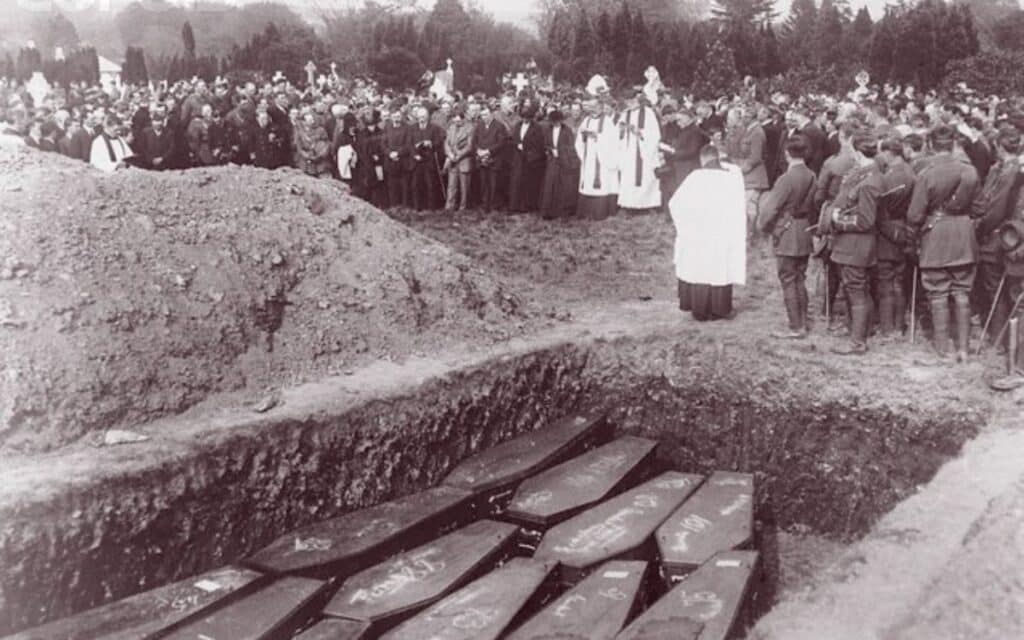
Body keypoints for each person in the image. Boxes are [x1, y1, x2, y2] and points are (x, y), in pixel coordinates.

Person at [907, 125, 980, 362]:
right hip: (963, 237)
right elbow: (980, 208)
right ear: (952, 145)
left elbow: (915, 215)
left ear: (930, 145)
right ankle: (964, 349)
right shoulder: (970, 172)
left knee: (938, 292)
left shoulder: (927, 173)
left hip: (936, 236)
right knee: (962, 292)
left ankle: (943, 349)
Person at [823, 131, 885, 356]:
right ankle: (858, 332)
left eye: (851, 149)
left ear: (858, 153)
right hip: (853, 246)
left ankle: (858, 342)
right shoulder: (866, 174)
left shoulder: (869, 181)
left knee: (857, 291)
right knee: (858, 290)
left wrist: (838, 220)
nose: (849, 153)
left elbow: (866, 220)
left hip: (856, 245)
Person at [669, 145, 747, 322]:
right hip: (722, 233)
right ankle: (720, 309)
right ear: (717, 158)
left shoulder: (695, 178)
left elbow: (675, 204)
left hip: (699, 232)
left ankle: (699, 309)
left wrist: (685, 226)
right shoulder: (732, 179)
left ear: (703, 159)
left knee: (700, 268)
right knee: (719, 268)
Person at [757, 135, 818, 338]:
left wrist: (763, 227)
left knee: (788, 279)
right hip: (804, 230)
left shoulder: (786, 179)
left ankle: (796, 326)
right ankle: (803, 321)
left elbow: (770, 209)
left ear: (786, 154)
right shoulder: (812, 175)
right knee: (800, 278)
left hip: (787, 231)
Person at [969, 125, 1024, 349]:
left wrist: (980, 225)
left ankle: (1000, 339)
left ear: (1000, 147)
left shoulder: (1011, 173)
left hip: (1000, 237)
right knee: (994, 288)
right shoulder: (997, 169)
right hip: (999, 235)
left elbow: (997, 209)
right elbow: (984, 198)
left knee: (997, 290)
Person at [874, 137, 916, 338]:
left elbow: (881, 204)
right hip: (903, 229)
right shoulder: (910, 171)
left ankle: (888, 328)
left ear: (889, 153)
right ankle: (898, 326)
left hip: (888, 230)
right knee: (899, 280)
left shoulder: (892, 176)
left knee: (886, 281)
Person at [575, 98, 620, 220]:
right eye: (590, 106)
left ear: (600, 107)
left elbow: (613, 140)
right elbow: (579, 138)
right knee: (587, 180)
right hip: (588, 154)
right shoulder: (587, 120)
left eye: (593, 106)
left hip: (601, 157)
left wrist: (597, 136)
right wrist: (583, 135)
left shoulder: (607, 121)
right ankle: (586, 212)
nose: (591, 109)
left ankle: (599, 212)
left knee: (601, 183)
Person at [617, 92, 662, 213]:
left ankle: (648, 205)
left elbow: (655, 133)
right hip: (628, 151)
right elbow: (618, 134)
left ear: (637, 99)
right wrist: (621, 131)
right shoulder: (625, 113)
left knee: (646, 177)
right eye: (627, 101)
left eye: (631, 101)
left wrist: (640, 133)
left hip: (644, 151)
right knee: (628, 178)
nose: (629, 104)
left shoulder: (648, 113)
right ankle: (629, 205)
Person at [539, 110, 580, 219]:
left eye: (557, 122)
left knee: (563, 185)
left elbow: (571, 146)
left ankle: (563, 211)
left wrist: (560, 152)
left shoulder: (567, 131)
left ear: (561, 121)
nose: (555, 124)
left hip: (564, 161)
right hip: (552, 161)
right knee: (550, 184)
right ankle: (549, 211)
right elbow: (546, 143)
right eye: (553, 122)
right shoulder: (548, 130)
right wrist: (550, 150)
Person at [508, 104, 545, 213]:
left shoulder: (537, 127)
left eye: (527, 118)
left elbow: (539, 144)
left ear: (531, 117)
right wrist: (517, 144)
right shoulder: (517, 125)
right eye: (523, 117)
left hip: (530, 160)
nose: (525, 120)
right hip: (518, 159)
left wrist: (526, 148)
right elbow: (512, 139)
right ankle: (514, 206)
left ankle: (526, 206)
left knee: (528, 183)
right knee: (516, 182)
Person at [409, 106, 446, 211]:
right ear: (416, 117)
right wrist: (414, 154)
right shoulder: (412, 128)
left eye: (424, 116)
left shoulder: (434, 128)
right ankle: (417, 207)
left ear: (427, 117)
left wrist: (431, 143)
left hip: (429, 160)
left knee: (430, 184)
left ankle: (431, 207)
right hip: (416, 160)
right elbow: (409, 143)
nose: (422, 118)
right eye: (420, 116)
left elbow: (439, 141)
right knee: (416, 185)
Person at [474, 104, 509, 211]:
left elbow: (501, 143)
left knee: (494, 184)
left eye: (486, 115)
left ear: (491, 115)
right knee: (484, 183)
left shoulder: (499, 126)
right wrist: (478, 151)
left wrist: (488, 152)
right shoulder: (479, 125)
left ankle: (495, 205)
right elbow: (474, 141)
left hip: (494, 159)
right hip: (481, 159)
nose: (484, 117)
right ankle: (485, 204)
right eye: (482, 115)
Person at [444, 108, 475, 212]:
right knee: (451, 185)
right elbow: (446, 143)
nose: (456, 123)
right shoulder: (451, 128)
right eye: (455, 121)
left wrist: (458, 156)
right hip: (452, 161)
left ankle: (463, 207)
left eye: (458, 121)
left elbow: (470, 146)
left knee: (464, 187)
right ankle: (449, 206)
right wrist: (449, 154)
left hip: (464, 161)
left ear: (463, 119)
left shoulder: (470, 128)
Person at [382, 108, 411, 208]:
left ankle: (405, 207)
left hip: (403, 162)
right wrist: (390, 153)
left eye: (398, 116)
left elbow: (408, 145)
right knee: (392, 186)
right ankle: (394, 207)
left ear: (401, 117)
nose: (396, 119)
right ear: (390, 117)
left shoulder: (407, 128)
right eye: (394, 117)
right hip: (390, 162)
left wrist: (398, 153)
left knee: (404, 187)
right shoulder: (387, 127)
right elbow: (383, 144)